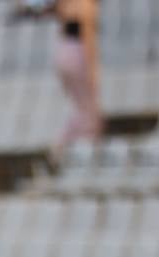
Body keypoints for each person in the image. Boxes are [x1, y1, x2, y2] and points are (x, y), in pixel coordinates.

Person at [52, 0, 101, 156]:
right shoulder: (86, 3)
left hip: (63, 51)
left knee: (80, 109)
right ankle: (80, 153)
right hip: (77, 53)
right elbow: (88, 35)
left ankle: (61, 147)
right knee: (90, 115)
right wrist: (93, 69)